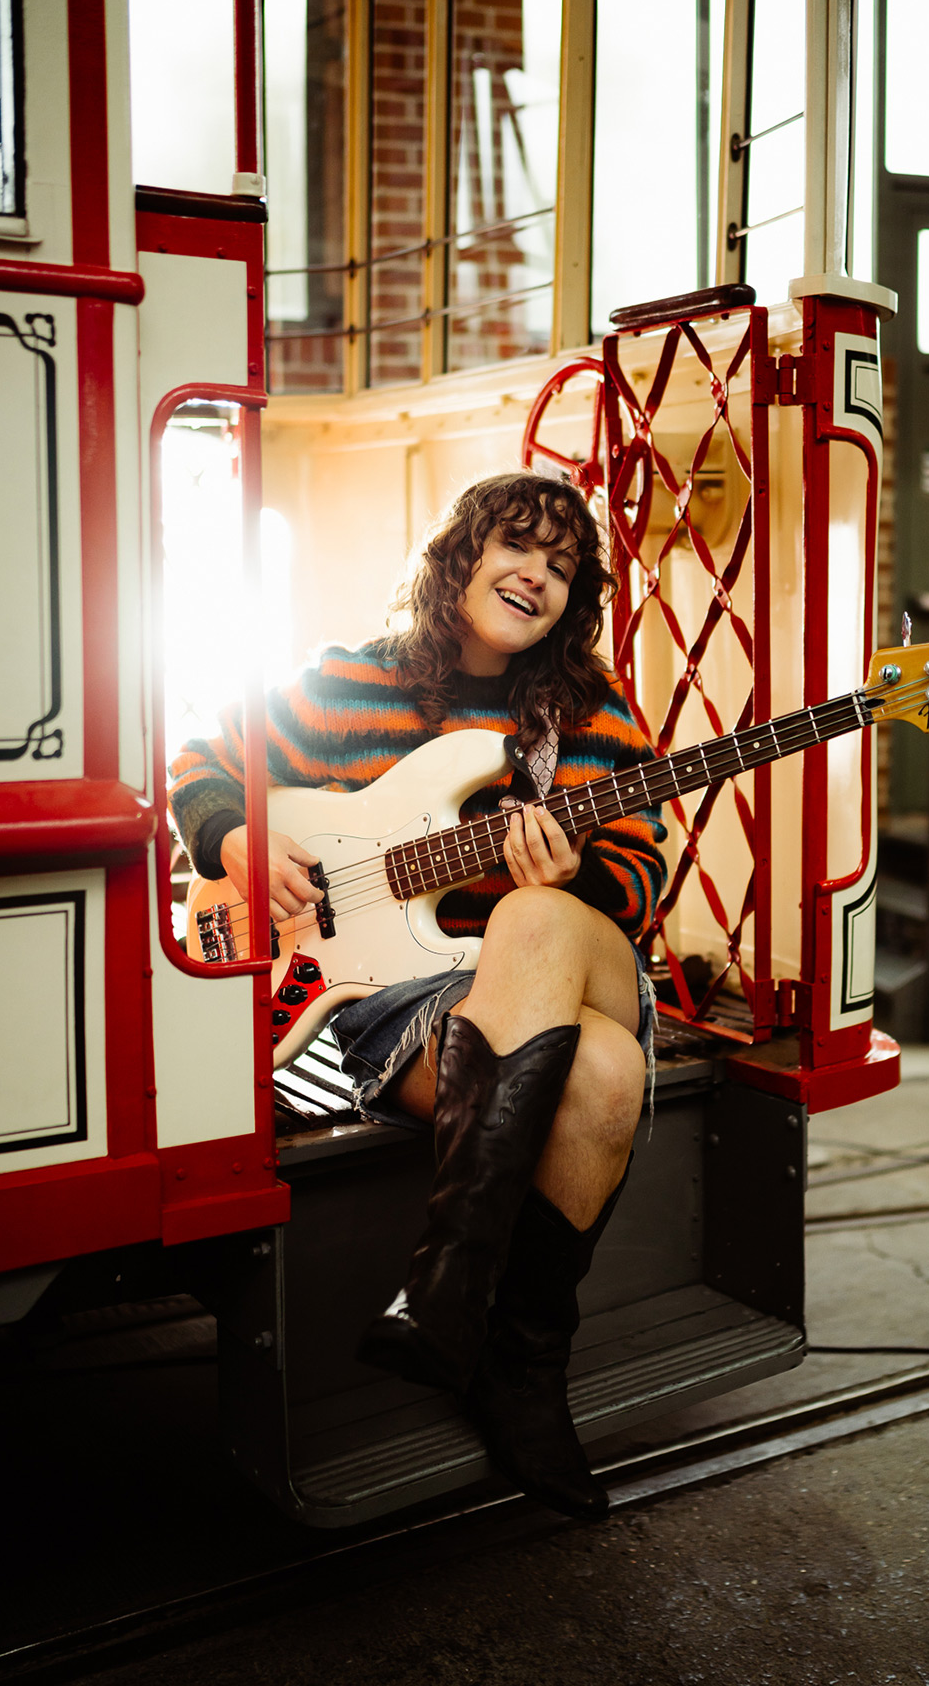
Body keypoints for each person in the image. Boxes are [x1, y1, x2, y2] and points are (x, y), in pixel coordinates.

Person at [169, 471, 667, 1520]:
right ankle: (522, 1368)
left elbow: (642, 878)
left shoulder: (592, 713)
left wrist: (573, 877)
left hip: (578, 957)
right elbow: (203, 765)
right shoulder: (344, 682)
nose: (537, 574)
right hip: (398, 998)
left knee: (532, 920)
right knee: (608, 1071)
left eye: (564, 566)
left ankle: (447, 1289)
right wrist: (243, 838)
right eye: (516, 546)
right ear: (461, 556)